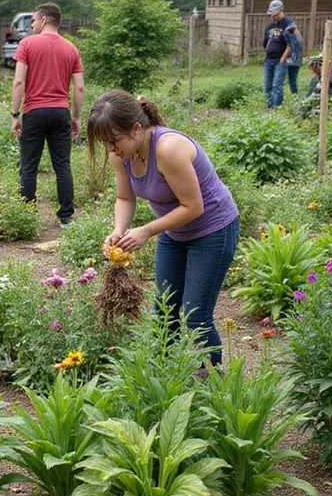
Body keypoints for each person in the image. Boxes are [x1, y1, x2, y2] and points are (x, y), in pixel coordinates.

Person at [87, 91, 239, 369]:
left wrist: (146, 231)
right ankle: (169, 375)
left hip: (213, 230)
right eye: (105, 144)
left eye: (114, 141)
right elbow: (125, 198)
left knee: (195, 315)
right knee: (164, 311)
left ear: (136, 129)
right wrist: (119, 229)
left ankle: (213, 381)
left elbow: (193, 207)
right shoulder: (121, 156)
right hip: (175, 232)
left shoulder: (168, 149)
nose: (112, 149)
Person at [11, 2, 84, 228]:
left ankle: (27, 215)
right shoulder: (71, 49)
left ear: (43, 20)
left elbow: (19, 81)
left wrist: (15, 114)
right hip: (61, 112)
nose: (32, 24)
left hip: (34, 111)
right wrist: (77, 117)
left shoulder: (27, 45)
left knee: (29, 165)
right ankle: (66, 217)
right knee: (62, 165)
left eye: (33, 20)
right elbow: (79, 87)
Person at [262, 0, 300, 108]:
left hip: (280, 60)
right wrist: (265, 55)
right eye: (271, 14)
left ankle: (276, 107)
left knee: (277, 85)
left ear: (281, 11)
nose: (273, 16)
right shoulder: (270, 27)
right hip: (269, 60)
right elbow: (266, 43)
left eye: (275, 14)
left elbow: (291, 44)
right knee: (267, 85)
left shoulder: (288, 24)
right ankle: (269, 106)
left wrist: (283, 58)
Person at [282, 21, 304, 95]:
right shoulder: (297, 39)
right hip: (296, 60)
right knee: (292, 78)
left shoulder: (288, 37)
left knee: (291, 78)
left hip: (292, 60)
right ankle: (294, 93)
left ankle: (293, 93)